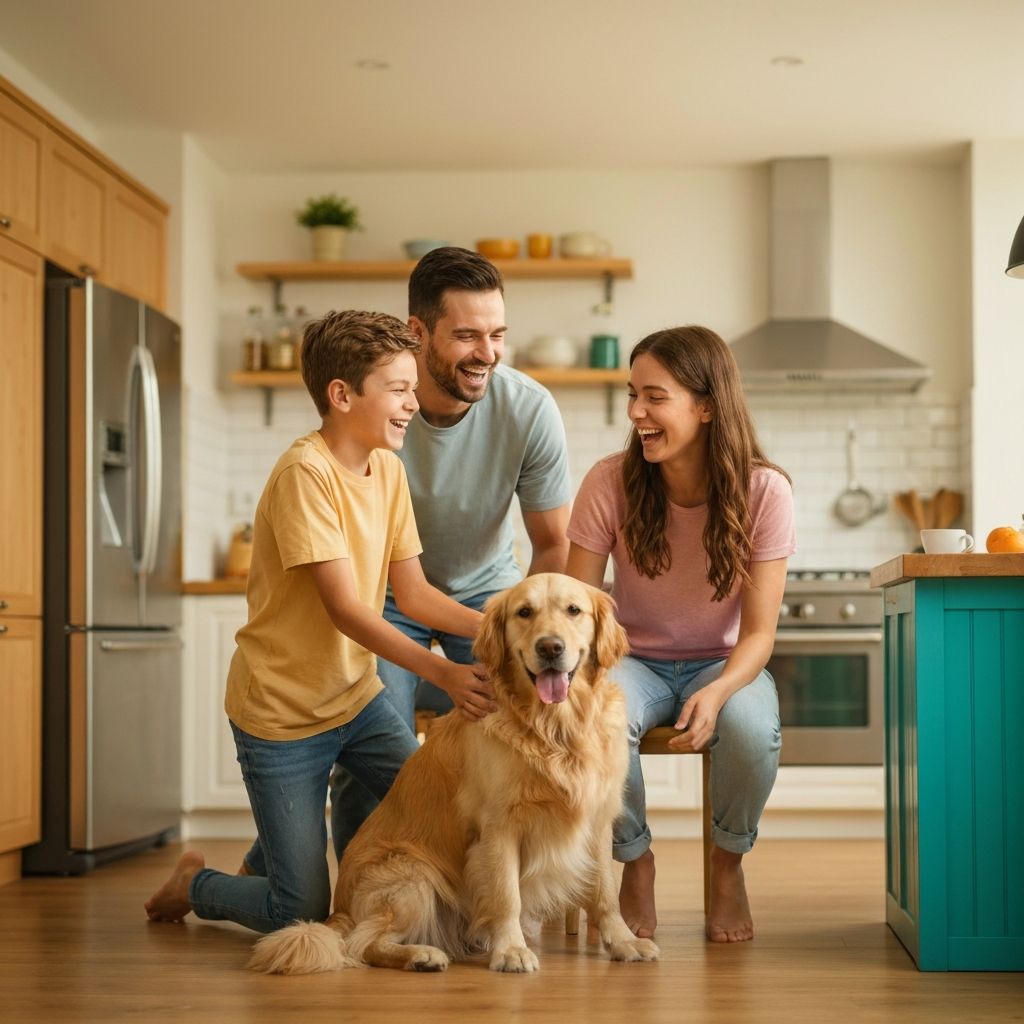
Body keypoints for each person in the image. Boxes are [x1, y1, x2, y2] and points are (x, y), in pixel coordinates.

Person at [145, 310, 487, 933]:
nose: (415, 402)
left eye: (413, 387)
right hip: (283, 717)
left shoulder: (387, 467)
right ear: (342, 394)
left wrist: (495, 631)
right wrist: (446, 670)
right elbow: (348, 610)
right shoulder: (306, 474)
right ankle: (194, 885)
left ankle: (277, 847)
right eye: (400, 389)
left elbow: (412, 593)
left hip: (356, 702)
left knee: (442, 809)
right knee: (298, 910)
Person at [330, 246, 573, 858]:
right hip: (386, 598)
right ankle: (370, 889)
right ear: (418, 333)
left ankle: (488, 890)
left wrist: (529, 625)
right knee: (373, 742)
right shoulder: (378, 411)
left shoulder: (529, 408)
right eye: (467, 335)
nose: (487, 354)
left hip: (487, 594)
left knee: (519, 729)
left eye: (496, 335)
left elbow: (552, 544)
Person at [565, 325, 794, 944]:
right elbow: (574, 608)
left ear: (707, 405)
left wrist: (718, 693)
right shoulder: (609, 481)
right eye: (632, 395)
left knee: (749, 729)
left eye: (654, 396)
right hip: (631, 658)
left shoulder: (763, 489)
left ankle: (727, 866)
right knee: (598, 719)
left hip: (723, 660)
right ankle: (634, 861)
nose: (637, 412)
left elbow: (759, 634)